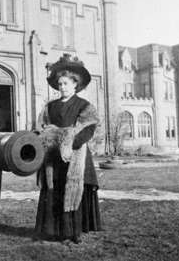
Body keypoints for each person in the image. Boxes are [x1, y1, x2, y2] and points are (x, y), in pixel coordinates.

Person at [35, 54, 102, 243]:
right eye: (60, 84)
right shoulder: (50, 107)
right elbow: (43, 128)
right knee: (55, 191)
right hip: (53, 157)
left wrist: (72, 144)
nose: (62, 87)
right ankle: (54, 231)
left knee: (71, 190)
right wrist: (47, 139)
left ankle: (73, 233)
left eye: (66, 83)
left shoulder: (84, 106)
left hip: (76, 155)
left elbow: (88, 129)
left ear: (75, 84)